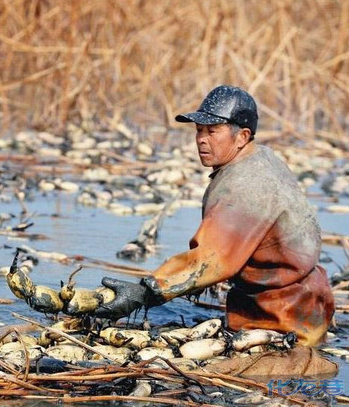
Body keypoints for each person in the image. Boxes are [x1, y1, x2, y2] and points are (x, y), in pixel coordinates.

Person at [96, 85, 335, 347]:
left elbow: (209, 261)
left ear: (242, 136)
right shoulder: (261, 158)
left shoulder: (246, 184)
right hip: (299, 307)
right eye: (199, 130)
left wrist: (143, 293)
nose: (201, 139)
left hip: (281, 322)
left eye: (212, 131)